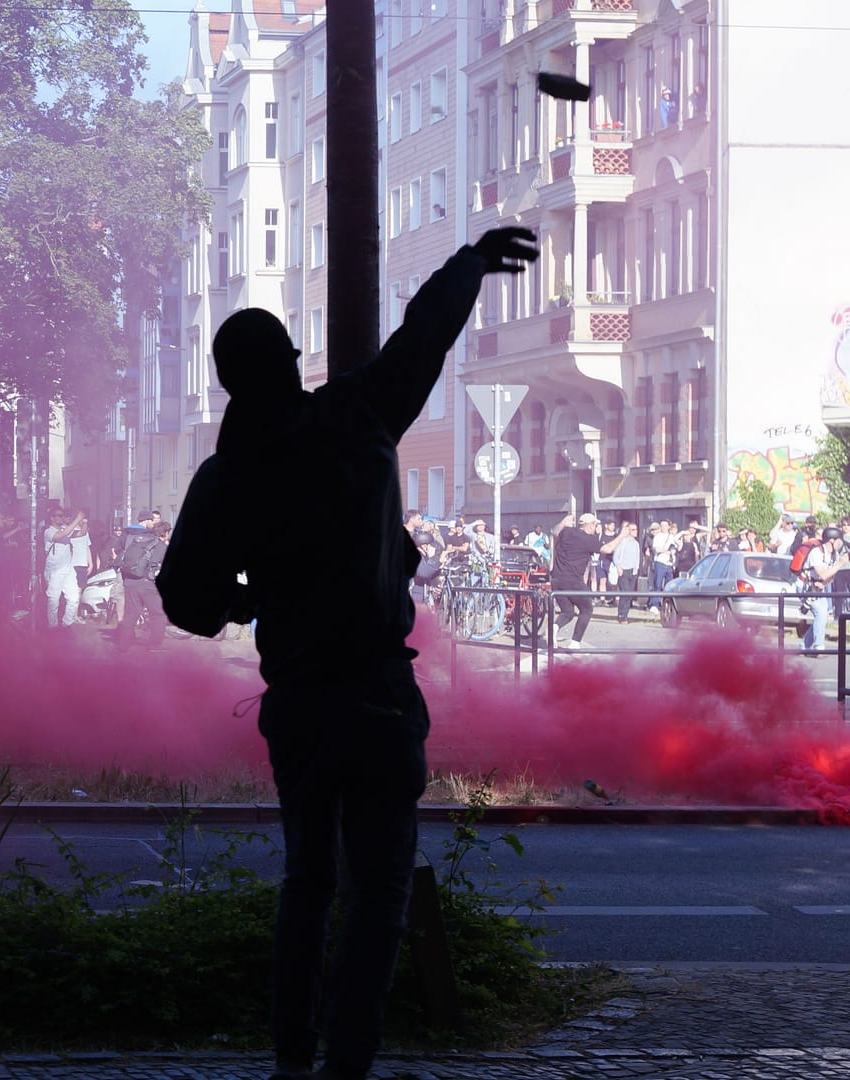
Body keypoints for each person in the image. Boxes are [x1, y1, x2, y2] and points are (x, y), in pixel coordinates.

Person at [158, 227, 539, 1080]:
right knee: (380, 893)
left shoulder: (226, 477)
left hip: (297, 701)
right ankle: (347, 1063)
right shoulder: (357, 416)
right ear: (293, 365)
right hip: (375, 694)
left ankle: (292, 1058)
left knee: (309, 883)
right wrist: (470, 261)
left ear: (226, 383)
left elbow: (183, 597)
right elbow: (423, 337)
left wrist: (244, 600)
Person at [550, 513, 618, 649]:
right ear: (589, 525)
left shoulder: (567, 532)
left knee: (567, 611)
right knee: (586, 609)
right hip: (573, 581)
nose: (595, 528)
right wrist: (622, 535)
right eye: (595, 525)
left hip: (556, 579)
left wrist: (563, 522)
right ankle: (575, 642)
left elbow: (554, 531)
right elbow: (608, 549)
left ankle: (554, 627)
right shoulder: (588, 539)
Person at [116, 509, 165, 649]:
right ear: (147, 521)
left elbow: (118, 554)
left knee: (131, 613)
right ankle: (155, 645)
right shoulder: (153, 539)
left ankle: (123, 645)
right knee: (157, 613)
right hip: (146, 582)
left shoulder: (127, 535)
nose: (154, 523)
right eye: (153, 520)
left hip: (129, 580)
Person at [800, 527, 850, 653]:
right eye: (839, 541)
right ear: (832, 540)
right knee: (821, 613)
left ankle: (804, 646)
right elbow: (822, 574)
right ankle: (819, 647)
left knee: (821, 617)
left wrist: (824, 583)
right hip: (806, 587)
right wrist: (840, 564)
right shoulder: (816, 553)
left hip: (819, 589)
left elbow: (831, 577)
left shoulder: (834, 554)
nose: (841, 544)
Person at [43, 508, 83, 628]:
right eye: (58, 515)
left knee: (74, 598)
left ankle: (67, 624)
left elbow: (81, 533)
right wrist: (77, 520)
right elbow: (62, 535)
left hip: (68, 568)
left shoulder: (65, 528)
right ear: (52, 518)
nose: (61, 517)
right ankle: (53, 626)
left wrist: (84, 522)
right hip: (55, 569)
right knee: (53, 599)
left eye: (62, 515)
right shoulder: (48, 531)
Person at [609, 521, 642, 622]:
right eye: (633, 530)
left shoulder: (636, 543)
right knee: (625, 593)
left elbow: (637, 557)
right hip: (623, 571)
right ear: (628, 531)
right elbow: (616, 556)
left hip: (633, 572)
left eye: (636, 529)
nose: (635, 531)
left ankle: (625, 615)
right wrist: (619, 567)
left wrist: (636, 569)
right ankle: (621, 615)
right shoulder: (622, 542)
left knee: (629, 595)